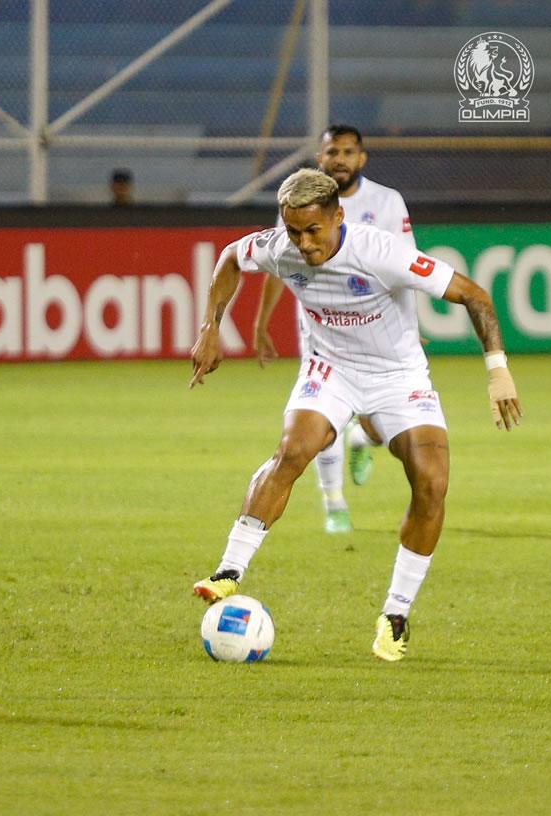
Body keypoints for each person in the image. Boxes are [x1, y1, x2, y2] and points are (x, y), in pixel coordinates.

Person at [189, 168, 520, 661]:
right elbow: (230, 258)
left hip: (398, 377)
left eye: (312, 230)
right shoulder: (279, 246)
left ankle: (395, 614)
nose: (302, 243)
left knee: (432, 480)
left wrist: (498, 371)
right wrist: (210, 327)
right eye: (294, 231)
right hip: (330, 370)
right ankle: (229, 571)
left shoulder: (381, 253)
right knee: (293, 451)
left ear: (337, 217)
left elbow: (474, 295)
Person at [253, 125, 414, 534]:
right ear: (320, 158)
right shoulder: (301, 201)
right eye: (331, 152)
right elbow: (277, 264)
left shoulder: (387, 202)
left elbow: (406, 267)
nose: (339, 159)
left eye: (347, 152)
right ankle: (334, 503)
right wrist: (261, 322)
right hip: (322, 330)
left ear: (361, 158)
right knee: (321, 424)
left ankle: (364, 437)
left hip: (378, 330)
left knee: (382, 425)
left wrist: (409, 326)